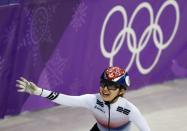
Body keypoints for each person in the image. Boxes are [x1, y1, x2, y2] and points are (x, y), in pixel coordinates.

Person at [16, 66, 151, 131]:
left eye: (110, 86)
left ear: (121, 91)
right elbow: (65, 99)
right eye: (103, 84)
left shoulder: (130, 110)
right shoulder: (92, 100)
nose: (105, 89)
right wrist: (39, 91)